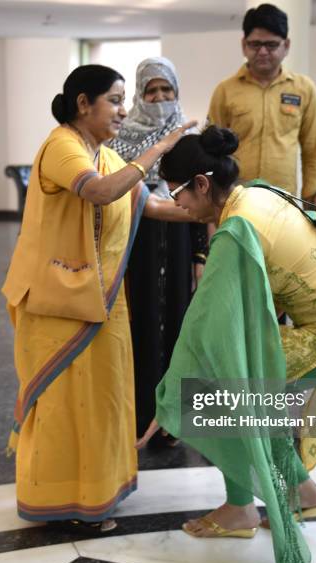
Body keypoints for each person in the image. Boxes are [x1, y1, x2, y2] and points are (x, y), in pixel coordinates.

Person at [136, 126, 316, 563]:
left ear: (202, 184)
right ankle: (299, 492)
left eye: (178, 191)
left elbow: (204, 322)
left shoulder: (236, 228)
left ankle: (241, 509)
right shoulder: (257, 193)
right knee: (241, 384)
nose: (176, 203)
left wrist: (167, 395)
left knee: (220, 389)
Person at [1, 65, 198, 534]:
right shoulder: (61, 147)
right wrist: (161, 146)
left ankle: (96, 494)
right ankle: (59, 498)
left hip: (101, 299)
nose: (124, 109)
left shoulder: (105, 154)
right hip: (55, 302)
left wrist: (221, 208)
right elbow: (101, 191)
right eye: (115, 99)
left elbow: (146, 206)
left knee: (104, 399)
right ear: (83, 104)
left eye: (123, 99)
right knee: (63, 405)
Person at [109, 57, 208, 442]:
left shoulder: (188, 139)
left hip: (180, 239)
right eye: (152, 90)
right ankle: (141, 412)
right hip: (139, 242)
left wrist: (199, 255)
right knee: (142, 324)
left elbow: (201, 198)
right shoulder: (119, 139)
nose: (160, 97)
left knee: (179, 327)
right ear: (139, 94)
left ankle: (173, 419)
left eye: (167, 90)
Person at [207, 3, 316, 198]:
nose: (262, 52)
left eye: (271, 45)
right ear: (244, 45)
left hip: (285, 201)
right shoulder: (225, 91)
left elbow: (312, 153)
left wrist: (311, 206)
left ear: (286, 46)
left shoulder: (304, 89)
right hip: (237, 198)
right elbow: (212, 153)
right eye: (255, 44)